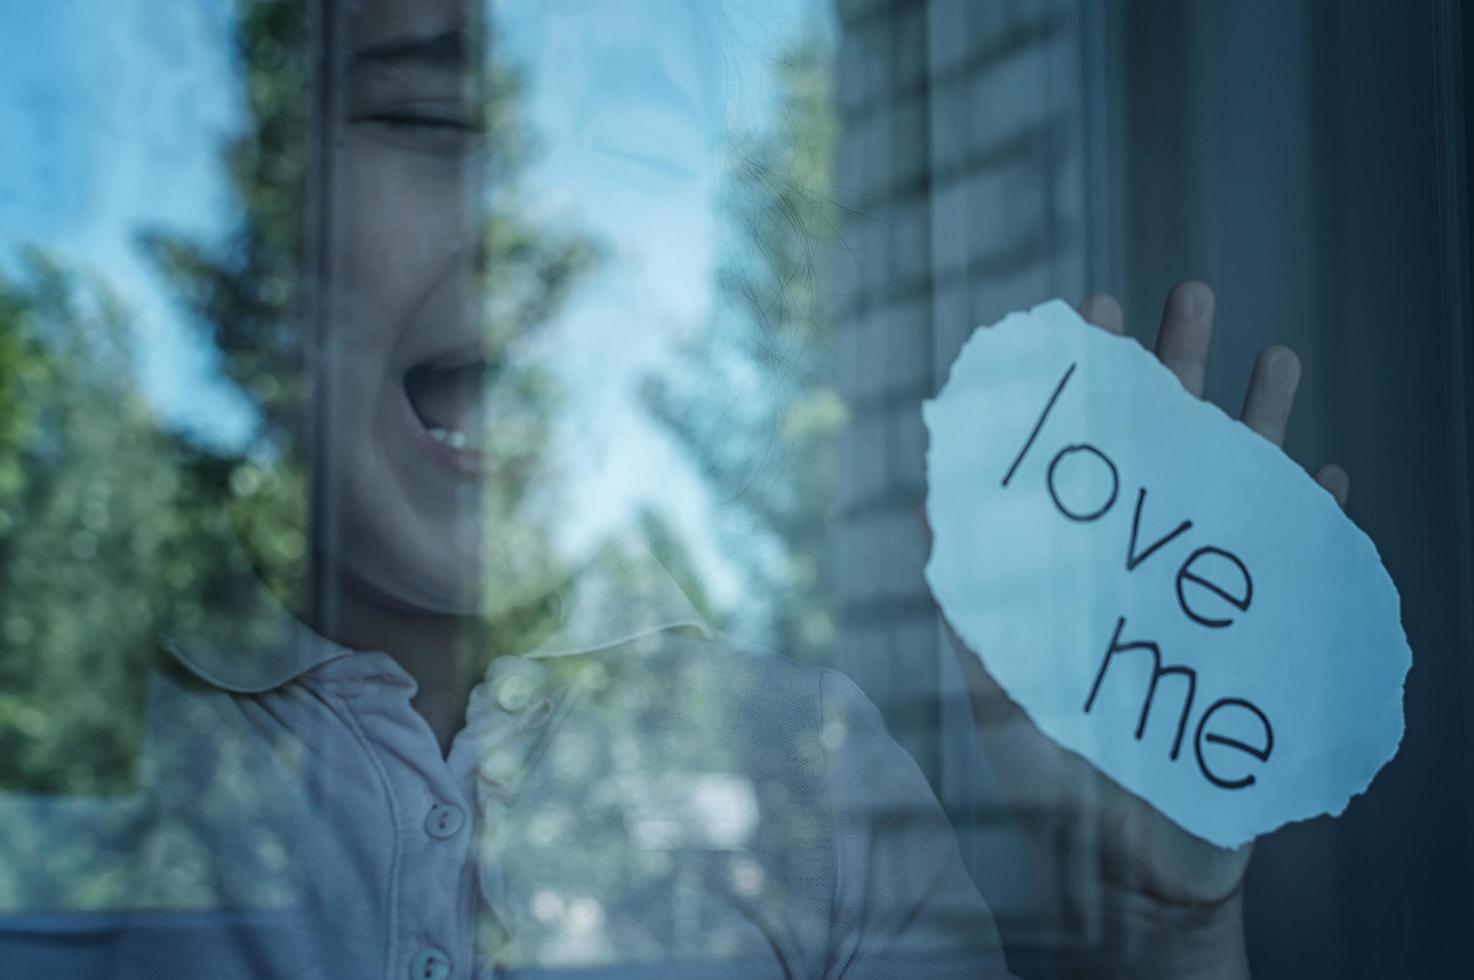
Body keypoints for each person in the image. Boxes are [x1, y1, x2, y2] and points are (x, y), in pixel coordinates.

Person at [0, 0, 1352, 976]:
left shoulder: (811, 777)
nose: (548, 225)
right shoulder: (68, 756)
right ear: (264, 203)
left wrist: (1156, 936)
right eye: (433, 113)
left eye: (634, 151)